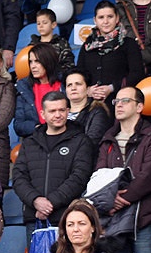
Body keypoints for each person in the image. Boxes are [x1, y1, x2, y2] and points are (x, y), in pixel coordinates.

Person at [96, 85, 151, 253]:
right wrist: (110, 200)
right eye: (116, 101)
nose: (119, 105)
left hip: (143, 218)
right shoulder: (108, 140)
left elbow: (149, 176)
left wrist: (120, 199)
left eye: (125, 101)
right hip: (115, 221)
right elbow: (100, 176)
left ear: (139, 107)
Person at [13, 91, 96, 230]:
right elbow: (18, 177)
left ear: (68, 111)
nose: (58, 115)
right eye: (52, 111)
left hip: (68, 219)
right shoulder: (30, 143)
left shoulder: (81, 141)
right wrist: (35, 200)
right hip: (35, 218)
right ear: (43, 114)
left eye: (62, 110)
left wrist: (50, 203)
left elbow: (80, 176)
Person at [77, 1, 146, 98]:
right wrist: (88, 90)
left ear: (117, 18)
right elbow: (79, 74)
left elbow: (137, 74)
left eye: (110, 17)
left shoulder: (129, 44)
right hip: (91, 102)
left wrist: (112, 87)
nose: (105, 21)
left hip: (120, 101)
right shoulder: (87, 46)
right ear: (95, 20)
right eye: (101, 17)